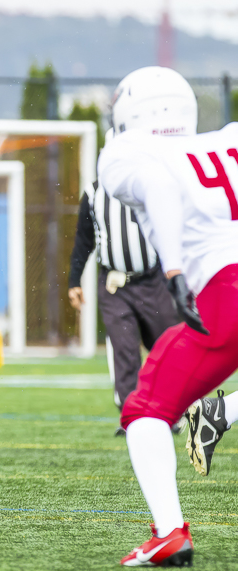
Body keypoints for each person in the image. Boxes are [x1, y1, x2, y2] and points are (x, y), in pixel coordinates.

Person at [98, 66, 238, 567]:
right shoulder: (230, 139)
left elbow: (157, 181)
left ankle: (169, 532)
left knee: (145, 409)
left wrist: (175, 270)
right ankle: (226, 412)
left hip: (225, 290)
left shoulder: (126, 153)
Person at [68, 180, 178, 435]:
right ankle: (132, 417)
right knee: (124, 348)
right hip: (113, 284)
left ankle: (169, 410)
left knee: (166, 345)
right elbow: (83, 239)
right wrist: (74, 281)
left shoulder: (150, 186)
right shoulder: (94, 192)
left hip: (152, 280)